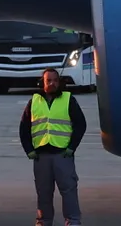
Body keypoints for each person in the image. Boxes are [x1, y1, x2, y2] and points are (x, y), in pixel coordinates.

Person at [19, 68, 86, 226]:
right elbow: (24, 128)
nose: (52, 83)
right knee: (44, 194)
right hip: (41, 156)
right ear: (42, 82)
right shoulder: (34, 101)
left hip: (63, 155)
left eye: (55, 80)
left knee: (69, 191)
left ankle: (73, 222)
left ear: (60, 82)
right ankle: (43, 222)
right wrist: (29, 150)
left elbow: (80, 125)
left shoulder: (68, 99)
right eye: (48, 80)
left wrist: (71, 148)